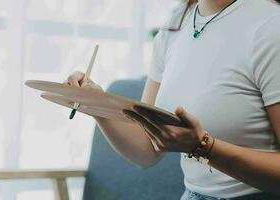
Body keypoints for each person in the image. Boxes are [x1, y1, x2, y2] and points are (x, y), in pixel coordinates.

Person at [64, 0, 280, 199]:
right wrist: (97, 105)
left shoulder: (270, 27)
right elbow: (147, 150)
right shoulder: (175, 27)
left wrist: (204, 147)